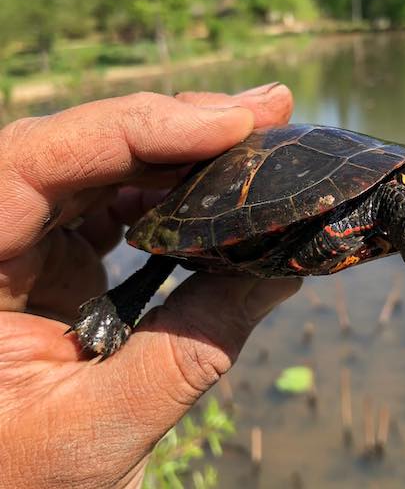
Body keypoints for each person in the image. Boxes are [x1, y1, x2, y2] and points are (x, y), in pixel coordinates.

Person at [0, 83, 300, 489]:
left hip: (267, 219)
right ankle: (116, 308)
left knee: (166, 257)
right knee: (165, 257)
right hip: (219, 216)